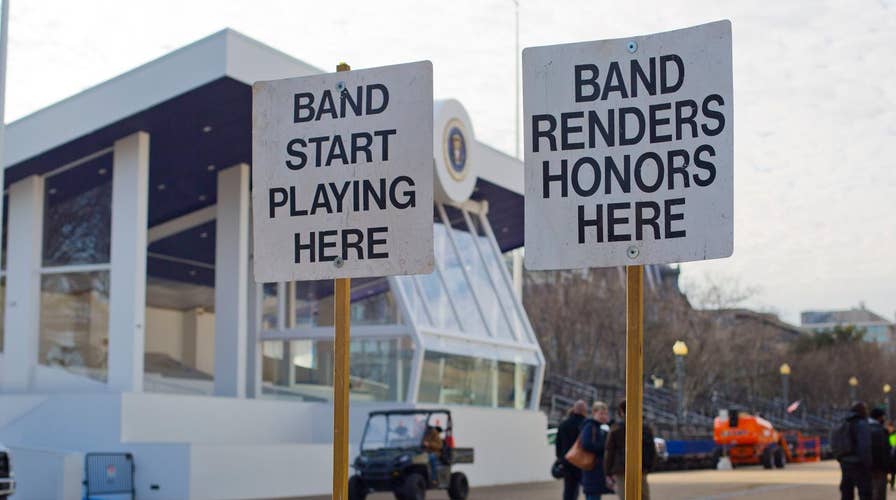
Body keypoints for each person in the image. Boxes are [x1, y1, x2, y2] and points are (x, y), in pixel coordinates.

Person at [604, 400, 656, 500]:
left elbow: (609, 452)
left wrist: (608, 472)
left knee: (625, 496)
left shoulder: (616, 429)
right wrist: (649, 467)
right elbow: (652, 451)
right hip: (640, 467)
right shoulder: (645, 428)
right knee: (643, 496)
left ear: (621, 412)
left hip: (620, 469)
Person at [579, 401, 613, 500]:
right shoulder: (590, 426)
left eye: (605, 414)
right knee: (593, 495)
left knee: (594, 494)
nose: (604, 416)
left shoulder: (600, 426)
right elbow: (586, 444)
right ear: (594, 413)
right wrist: (605, 447)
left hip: (596, 468)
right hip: (592, 467)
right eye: (601, 413)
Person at [839, 402, 873, 500]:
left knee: (846, 494)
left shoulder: (843, 422)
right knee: (865, 493)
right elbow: (864, 446)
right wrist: (868, 463)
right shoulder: (862, 424)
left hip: (845, 463)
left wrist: (841, 459)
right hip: (859, 464)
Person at [556, 400, 588, 500]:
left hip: (567, 461)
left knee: (568, 489)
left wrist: (560, 459)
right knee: (584, 489)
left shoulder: (564, 424)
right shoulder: (586, 424)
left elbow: (558, 444)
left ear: (574, 409)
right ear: (584, 411)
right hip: (581, 461)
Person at [869, 407, 891, 500]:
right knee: (879, 493)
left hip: (865, 467)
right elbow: (886, 451)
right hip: (880, 468)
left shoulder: (863, 428)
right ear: (879, 417)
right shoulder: (882, 430)